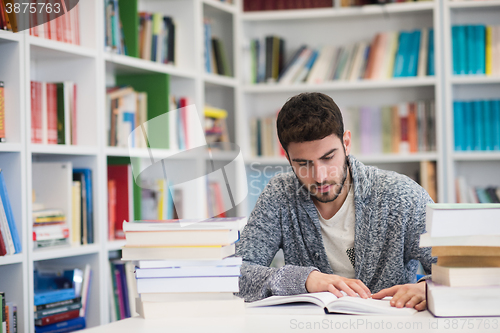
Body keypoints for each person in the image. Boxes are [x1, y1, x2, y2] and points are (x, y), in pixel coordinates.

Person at [236, 92, 436, 311]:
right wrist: (305, 279)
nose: (319, 176)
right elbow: (236, 274)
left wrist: (426, 287)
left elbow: (460, 272)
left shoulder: (402, 195)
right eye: (303, 163)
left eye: (328, 157)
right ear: (288, 159)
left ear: (346, 143)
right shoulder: (280, 195)